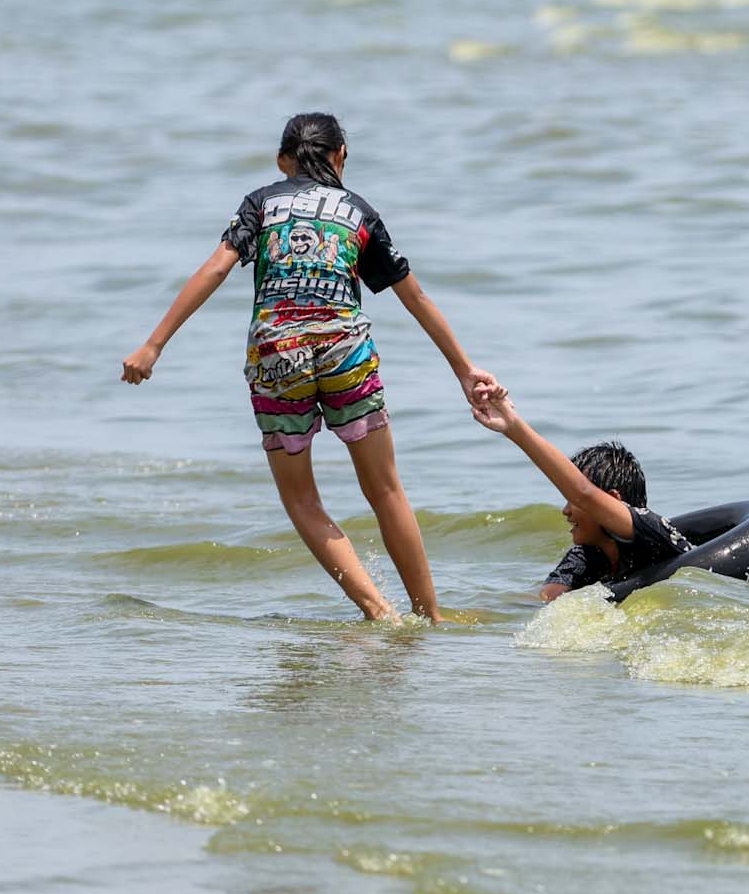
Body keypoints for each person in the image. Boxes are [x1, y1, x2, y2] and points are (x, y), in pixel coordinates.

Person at [121, 112, 497, 623]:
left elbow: (214, 268)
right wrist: (464, 369)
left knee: (301, 499)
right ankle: (429, 616)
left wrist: (153, 345)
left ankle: (378, 612)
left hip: (278, 357)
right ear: (341, 156)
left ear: (282, 161)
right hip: (345, 350)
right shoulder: (357, 211)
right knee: (385, 489)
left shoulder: (261, 202)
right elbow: (415, 296)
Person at [469, 388, 690, 602]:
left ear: (612, 500)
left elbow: (582, 492)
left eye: (571, 501)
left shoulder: (649, 528)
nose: (566, 510)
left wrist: (513, 427)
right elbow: (546, 600)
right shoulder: (587, 554)